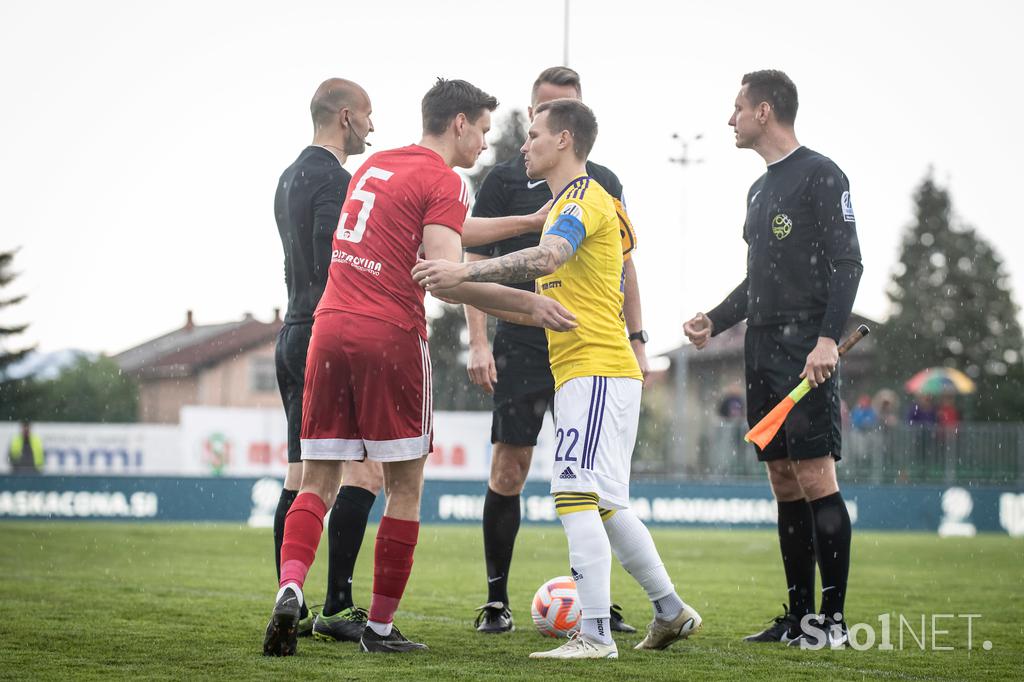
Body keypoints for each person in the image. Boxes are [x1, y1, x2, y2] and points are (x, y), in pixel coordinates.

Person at [262, 78, 576, 657]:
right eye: (481, 130)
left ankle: (289, 589)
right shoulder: (443, 179)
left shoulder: (377, 165)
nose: (484, 143)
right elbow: (448, 274)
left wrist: (527, 221)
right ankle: (379, 629)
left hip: (328, 327)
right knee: (404, 489)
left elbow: (441, 232)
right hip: (388, 333)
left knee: (316, 480)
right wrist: (529, 303)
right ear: (458, 123)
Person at [414, 98, 701, 660]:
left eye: (535, 135)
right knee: (607, 503)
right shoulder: (580, 201)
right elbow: (542, 296)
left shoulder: (580, 199)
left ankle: (594, 635)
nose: (524, 145)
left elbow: (548, 258)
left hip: (594, 371)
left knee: (572, 494)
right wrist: (462, 288)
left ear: (565, 140)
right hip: (598, 372)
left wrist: (463, 269)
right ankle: (669, 610)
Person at [462, 66, 645, 634]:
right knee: (510, 467)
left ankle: (599, 608)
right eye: (541, 111)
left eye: (560, 111)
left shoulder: (600, 184)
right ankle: (497, 598)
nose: (537, 131)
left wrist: (637, 340)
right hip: (521, 340)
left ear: (572, 125)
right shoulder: (503, 178)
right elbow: (470, 251)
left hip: (588, 346)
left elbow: (624, 266)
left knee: (590, 484)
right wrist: (477, 341)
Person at [683, 70, 863, 649]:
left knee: (815, 476)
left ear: (764, 111)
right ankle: (798, 617)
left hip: (804, 346)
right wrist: (715, 319)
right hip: (760, 347)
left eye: (736, 107)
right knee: (783, 482)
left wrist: (828, 340)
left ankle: (831, 624)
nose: (729, 118)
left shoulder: (821, 173)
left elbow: (847, 265)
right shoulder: (759, 189)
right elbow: (757, 279)